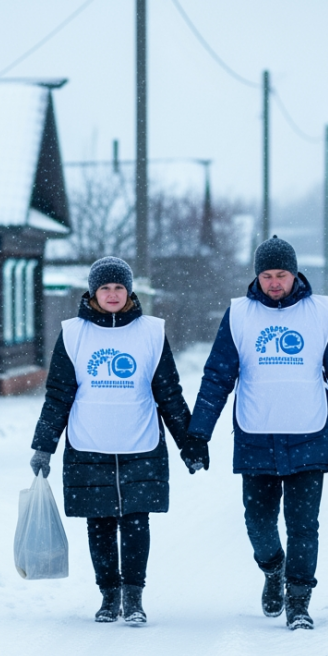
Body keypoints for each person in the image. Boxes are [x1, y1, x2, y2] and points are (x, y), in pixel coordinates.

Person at [184, 236, 328, 630]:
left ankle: (298, 600)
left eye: (281, 275)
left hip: (307, 436)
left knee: (303, 526)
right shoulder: (239, 315)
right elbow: (216, 378)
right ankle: (273, 569)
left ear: (295, 274)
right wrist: (199, 434)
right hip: (255, 436)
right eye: (267, 275)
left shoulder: (322, 314)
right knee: (257, 523)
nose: (275, 283)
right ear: (257, 276)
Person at [29, 256, 199, 625]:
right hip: (89, 444)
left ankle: (134, 597)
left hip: (140, 442)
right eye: (104, 287)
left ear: (129, 291)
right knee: (100, 524)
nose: (112, 294)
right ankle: (109, 596)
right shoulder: (74, 334)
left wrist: (189, 442)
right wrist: (44, 444)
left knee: (136, 523)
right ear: (92, 291)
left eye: (119, 287)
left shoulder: (151, 332)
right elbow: (58, 394)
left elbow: (169, 393)